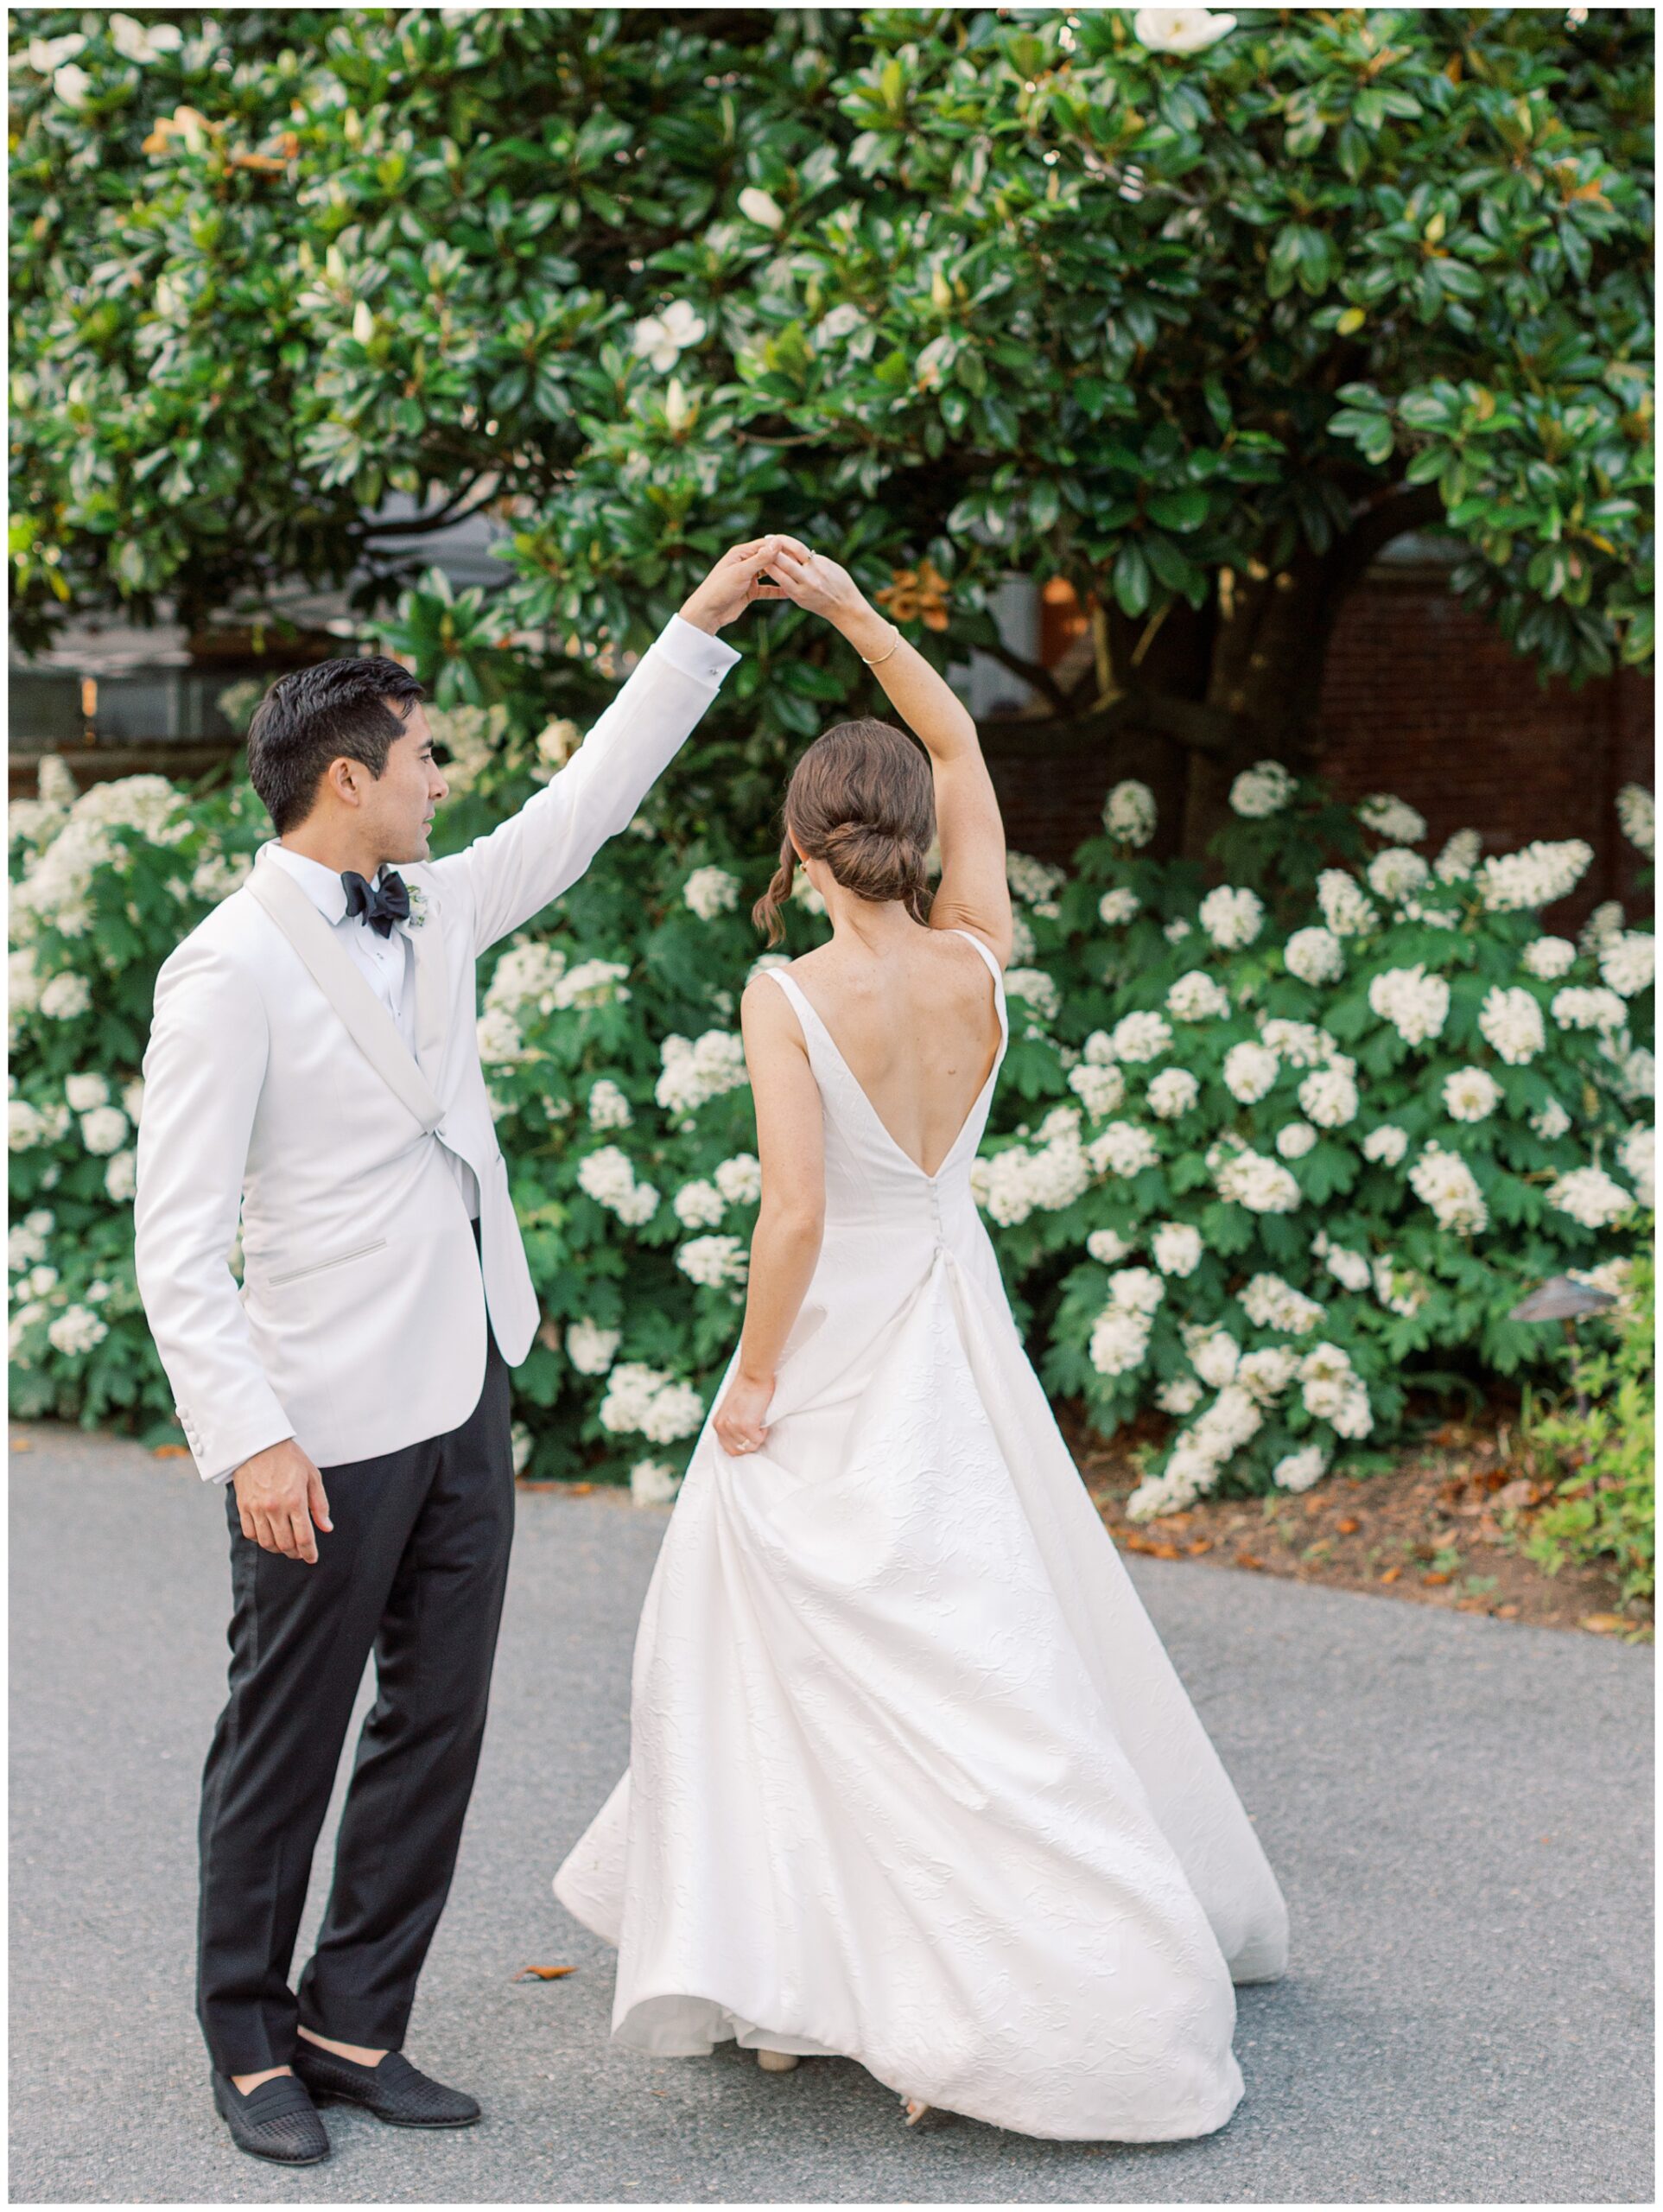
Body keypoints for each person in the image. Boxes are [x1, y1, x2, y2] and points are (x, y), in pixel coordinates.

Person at [553, 540, 1290, 2142]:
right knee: (982, 1630)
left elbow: (796, 1222)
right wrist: (850, 612)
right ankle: (890, 1963)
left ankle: (816, 1967)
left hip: (837, 1344)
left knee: (776, 1631)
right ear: (912, 836)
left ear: (805, 843)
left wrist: (748, 1386)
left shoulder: (786, 990)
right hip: (953, 1327)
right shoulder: (976, 960)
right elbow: (953, 741)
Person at [132, 537, 788, 2166]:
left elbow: (586, 807)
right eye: (425, 755)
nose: (445, 777)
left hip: (461, 1386)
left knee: (438, 1718)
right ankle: (248, 2041)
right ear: (348, 778)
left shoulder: (431, 903)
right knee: (281, 1736)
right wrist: (250, 1438)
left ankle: (355, 2022)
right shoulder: (221, 972)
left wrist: (698, 620)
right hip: (317, 1418)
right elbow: (173, 1244)